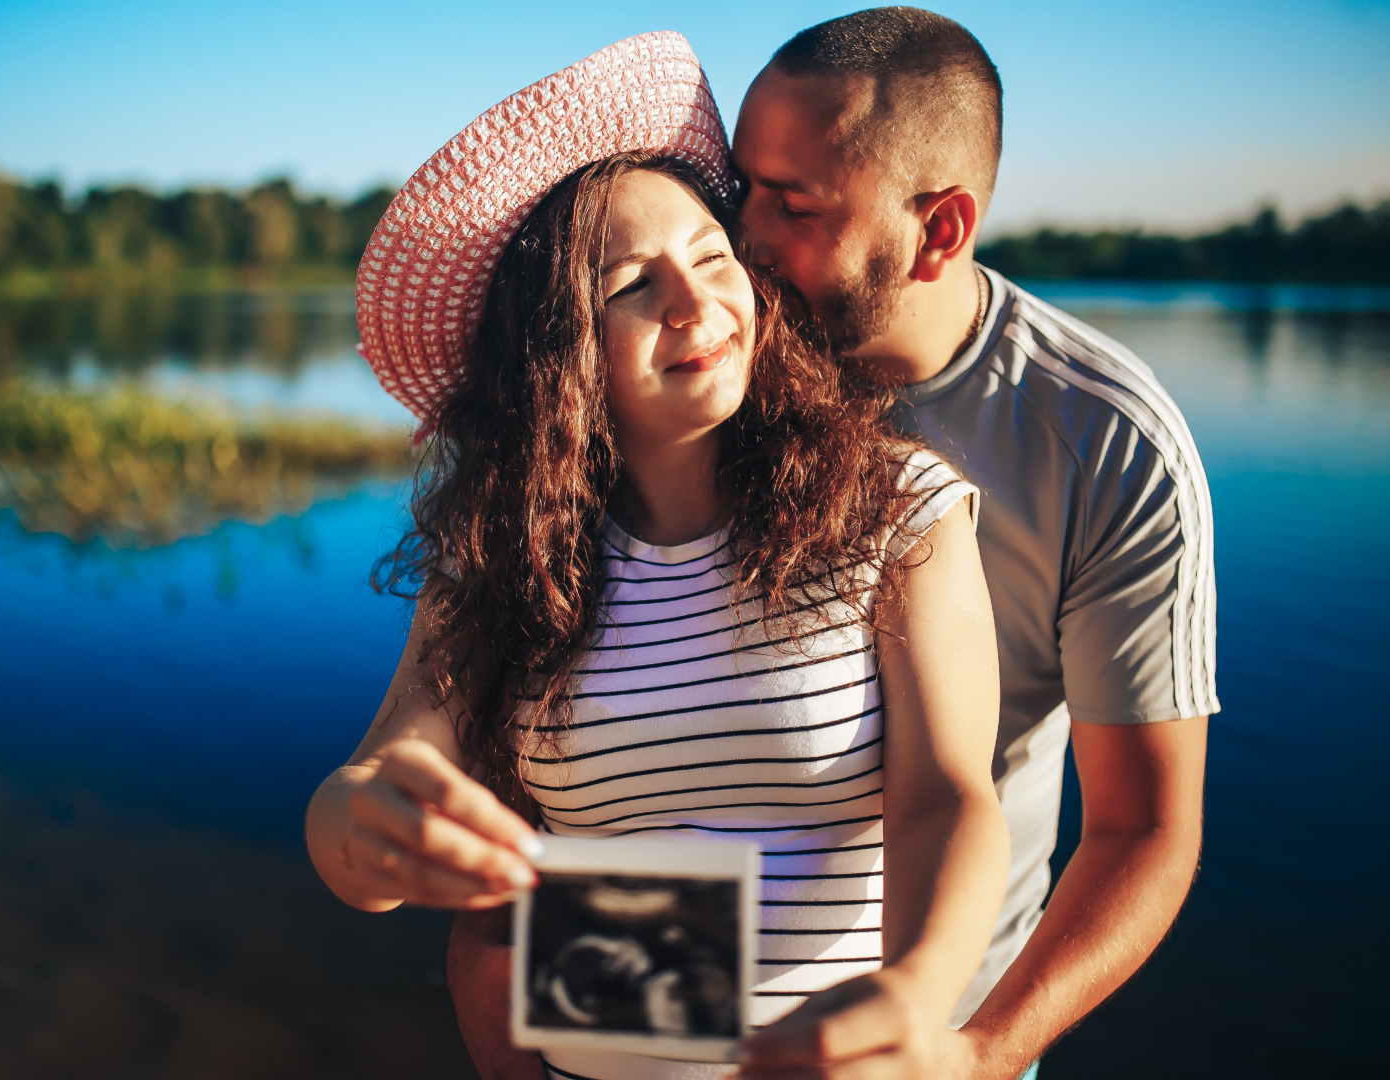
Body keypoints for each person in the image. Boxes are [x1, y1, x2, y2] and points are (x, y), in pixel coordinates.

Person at [452, 9, 1218, 1080]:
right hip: (653, 965)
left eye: (791, 203)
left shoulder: (1101, 443)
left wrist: (984, 1048)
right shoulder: (710, 358)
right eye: (739, 191)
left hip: (927, 1015)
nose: (745, 235)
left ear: (938, 231)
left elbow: (1140, 829)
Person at [304, 32, 1009, 1080]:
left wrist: (916, 993)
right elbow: (367, 794)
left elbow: (946, 798)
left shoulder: (896, 509)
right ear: (559, 350)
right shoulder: (500, 559)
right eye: (635, 282)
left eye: (715, 257)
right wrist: (366, 822)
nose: (695, 302)